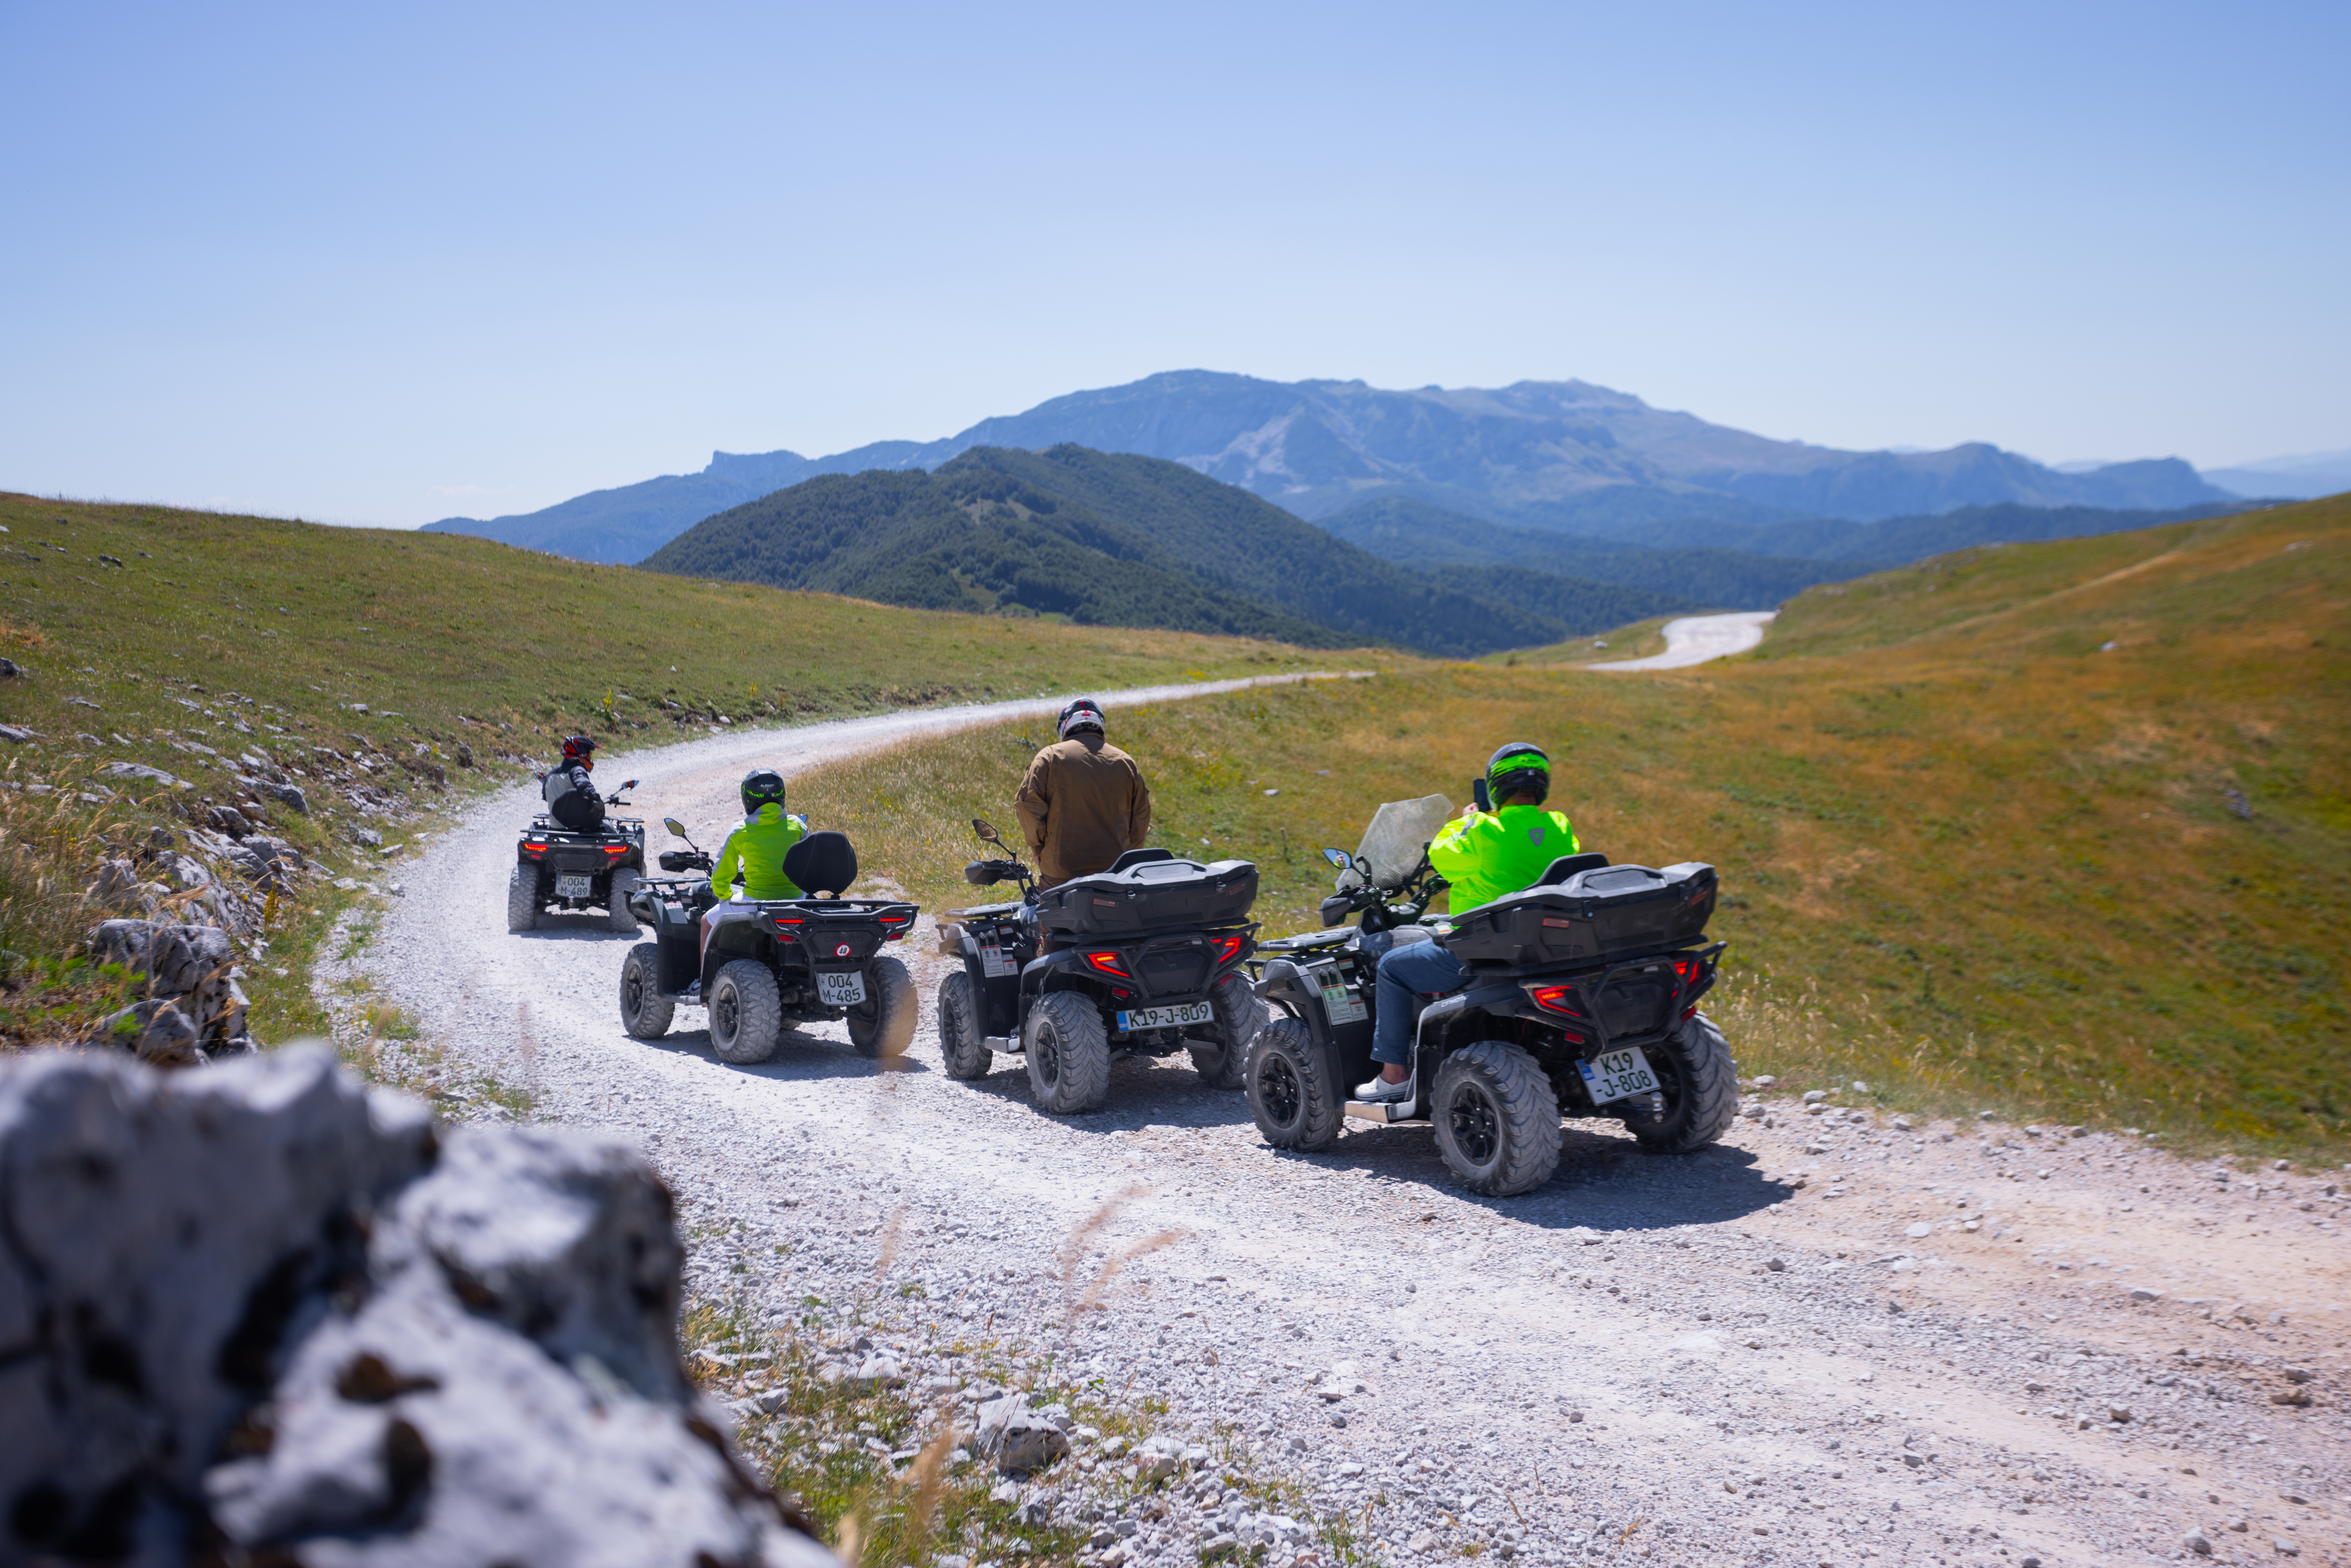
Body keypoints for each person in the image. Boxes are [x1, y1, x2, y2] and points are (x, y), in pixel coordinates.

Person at [1356, 742, 1580, 1102]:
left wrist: (1465, 819)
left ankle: (1393, 1074)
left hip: (1485, 951)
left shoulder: (1480, 829)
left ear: (1496, 786)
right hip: (1546, 947)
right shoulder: (1559, 825)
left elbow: (1442, 859)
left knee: (1391, 968)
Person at [1013, 698, 1152, 890]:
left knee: (1054, 919)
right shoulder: (1126, 762)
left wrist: (1039, 849)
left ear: (1065, 726)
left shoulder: (1049, 756)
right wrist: (1129, 858)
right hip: (1115, 872)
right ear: (1100, 725)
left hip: (1061, 870)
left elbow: (1028, 808)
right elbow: (1141, 819)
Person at [700, 768, 809, 968]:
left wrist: (723, 895)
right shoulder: (798, 825)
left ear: (748, 799)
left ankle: (703, 982)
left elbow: (722, 873)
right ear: (782, 795)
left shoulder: (739, 830)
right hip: (796, 901)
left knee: (706, 921)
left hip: (754, 901)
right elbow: (809, 864)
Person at [542, 735, 607, 833]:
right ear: (581, 754)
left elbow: (545, 796)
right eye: (589, 755)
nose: (590, 758)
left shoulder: (551, 773)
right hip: (579, 830)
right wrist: (597, 800)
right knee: (610, 830)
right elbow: (586, 788)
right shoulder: (577, 770)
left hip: (554, 830)